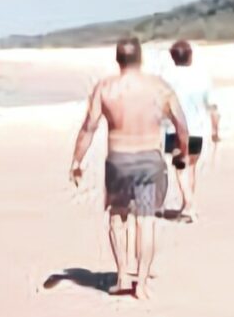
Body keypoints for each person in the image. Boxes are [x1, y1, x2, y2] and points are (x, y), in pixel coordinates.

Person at [69, 37, 192, 298]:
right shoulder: (160, 88)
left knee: (118, 217)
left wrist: (77, 161)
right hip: (149, 159)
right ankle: (143, 283)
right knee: (145, 221)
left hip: (119, 160)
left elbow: (88, 128)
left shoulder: (105, 88)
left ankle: (123, 275)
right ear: (140, 58)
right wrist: (182, 151)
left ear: (117, 59)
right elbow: (182, 125)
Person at [160, 37, 221, 219]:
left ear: (173, 57)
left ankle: (189, 205)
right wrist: (215, 130)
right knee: (191, 167)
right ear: (190, 56)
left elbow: (161, 106)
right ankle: (188, 203)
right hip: (197, 130)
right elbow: (212, 107)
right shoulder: (201, 78)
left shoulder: (167, 79)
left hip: (175, 130)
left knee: (180, 168)